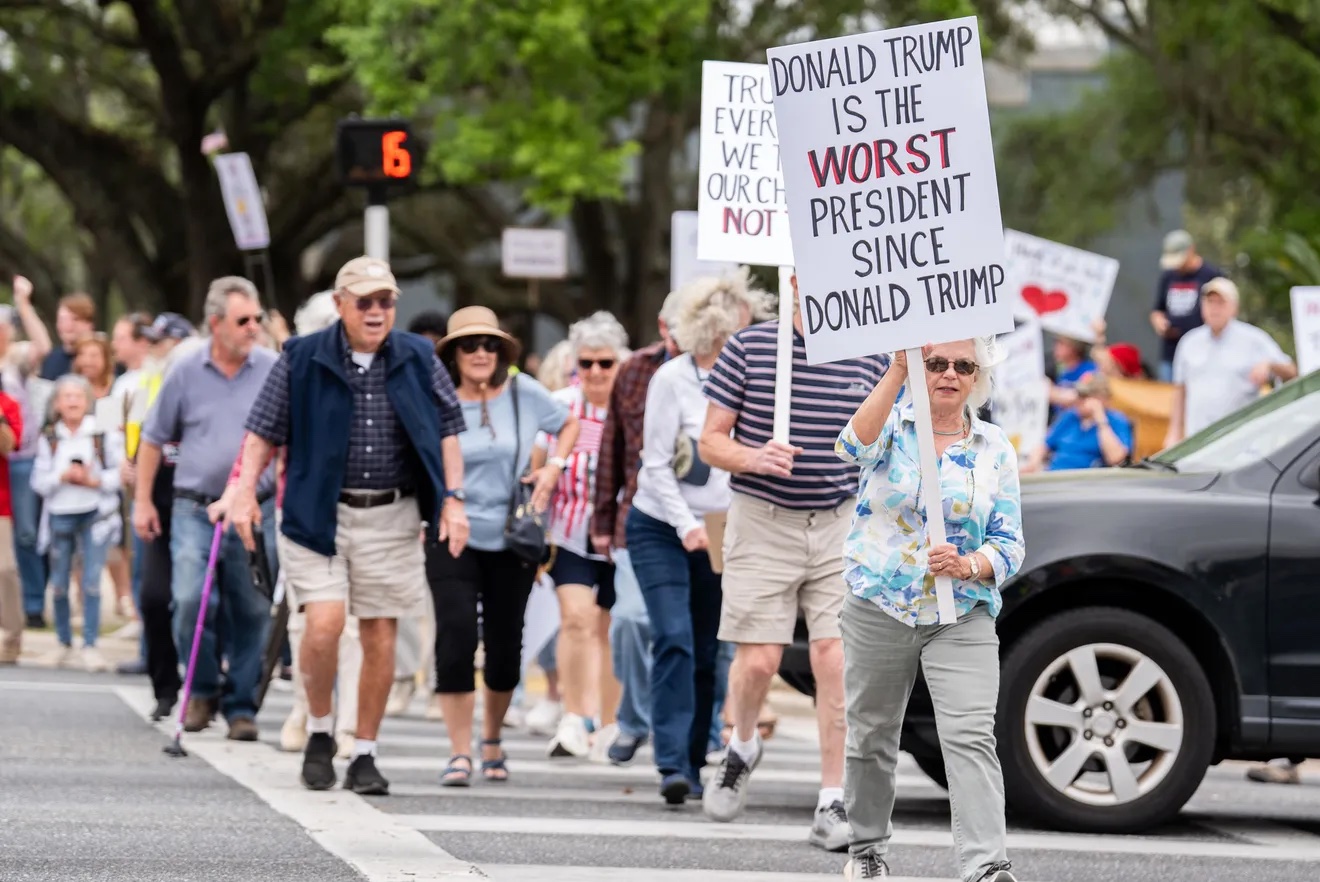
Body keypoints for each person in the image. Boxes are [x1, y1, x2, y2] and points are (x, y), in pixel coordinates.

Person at [231, 258, 468, 795]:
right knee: (324, 624)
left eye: (386, 300)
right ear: (340, 305)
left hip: (393, 512)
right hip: (319, 512)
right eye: (365, 301)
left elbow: (450, 431)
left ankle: (365, 749)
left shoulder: (418, 357)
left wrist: (453, 500)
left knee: (380, 631)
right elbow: (262, 433)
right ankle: (318, 730)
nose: (378, 311)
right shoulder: (301, 356)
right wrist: (245, 491)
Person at [697, 271, 886, 851]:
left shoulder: (868, 352)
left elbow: (885, 437)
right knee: (758, 663)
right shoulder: (751, 346)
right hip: (762, 519)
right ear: (796, 278)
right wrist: (754, 456)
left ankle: (834, 800)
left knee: (835, 659)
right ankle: (743, 744)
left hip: (837, 521)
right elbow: (710, 441)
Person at [835, 340, 1025, 882]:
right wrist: (898, 367)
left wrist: (970, 564)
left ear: (977, 378)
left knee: (971, 735)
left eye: (963, 366)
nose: (948, 374)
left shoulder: (994, 447)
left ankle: (986, 865)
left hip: (962, 611)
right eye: (935, 363)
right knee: (871, 733)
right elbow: (850, 446)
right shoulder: (894, 424)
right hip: (880, 602)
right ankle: (867, 850)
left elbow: (1011, 543)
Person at [628, 273, 762, 805]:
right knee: (674, 637)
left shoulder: (754, 380)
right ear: (715, 330)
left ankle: (695, 753)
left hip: (723, 529)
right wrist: (685, 526)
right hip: (661, 526)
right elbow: (655, 466)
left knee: (710, 648)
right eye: (740, 329)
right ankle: (670, 764)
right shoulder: (672, 380)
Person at [428, 306, 576, 786]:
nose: (480, 353)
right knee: (454, 637)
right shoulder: (438, 399)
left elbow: (568, 423)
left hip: (512, 537)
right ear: (453, 353)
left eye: (489, 345)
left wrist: (554, 466)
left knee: (506, 647)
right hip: (452, 532)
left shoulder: (523, 393)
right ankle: (458, 751)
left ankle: (491, 738)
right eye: (469, 345)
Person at [134, 278, 279, 741]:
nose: (254, 327)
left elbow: (286, 443)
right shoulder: (185, 369)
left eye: (257, 318)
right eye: (244, 320)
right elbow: (154, 438)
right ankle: (200, 689)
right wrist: (141, 502)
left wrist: (254, 493)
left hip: (253, 507)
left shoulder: (273, 369)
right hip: (194, 507)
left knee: (252, 608)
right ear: (215, 324)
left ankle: (241, 705)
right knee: (190, 599)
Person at [589, 291, 685, 765]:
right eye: (676, 325)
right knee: (630, 619)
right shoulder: (636, 370)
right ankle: (633, 720)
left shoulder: (729, 365)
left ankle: (691, 731)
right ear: (664, 325)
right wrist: (602, 519)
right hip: (640, 516)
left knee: (695, 634)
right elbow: (613, 443)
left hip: (709, 517)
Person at [536, 311, 629, 760]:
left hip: (618, 534)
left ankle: (608, 723)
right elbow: (534, 462)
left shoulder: (634, 405)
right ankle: (574, 715)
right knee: (575, 618)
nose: (594, 372)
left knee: (608, 627)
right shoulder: (558, 404)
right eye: (586, 363)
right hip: (568, 531)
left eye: (604, 363)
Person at [124, 314, 199, 720]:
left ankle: (206, 687)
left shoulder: (208, 388)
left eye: (165, 342)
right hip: (156, 506)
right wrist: (128, 470)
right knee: (154, 597)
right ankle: (165, 686)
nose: (158, 350)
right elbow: (135, 442)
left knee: (200, 600)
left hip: (199, 509)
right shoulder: (143, 387)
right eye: (155, 343)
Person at [31, 374, 124, 672]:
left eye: (78, 396)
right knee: (59, 584)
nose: (72, 402)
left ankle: (90, 644)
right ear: (57, 403)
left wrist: (91, 480)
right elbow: (38, 481)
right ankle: (62, 641)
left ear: (87, 402)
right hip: (60, 515)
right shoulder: (50, 437)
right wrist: (62, 477)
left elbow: (118, 476)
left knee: (92, 582)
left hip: (93, 514)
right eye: (66, 397)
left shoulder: (100, 434)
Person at [1164, 277, 1297, 446]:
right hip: (1197, 440)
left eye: (1221, 302)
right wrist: (1173, 432)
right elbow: (1180, 390)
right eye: (1210, 302)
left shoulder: (1253, 339)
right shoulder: (1189, 342)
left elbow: (1291, 371)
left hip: (1240, 442)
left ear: (1234, 307)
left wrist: (1270, 365)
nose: (1214, 308)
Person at [2, 277, 55, 628]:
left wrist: (24, 303)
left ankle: (33, 604)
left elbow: (42, 344)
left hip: (21, 457)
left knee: (25, 532)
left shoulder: (14, 360)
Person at [1023, 373, 1132, 472]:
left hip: (1087, 481)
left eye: (1085, 396)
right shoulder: (1070, 416)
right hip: (1056, 474)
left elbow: (1116, 459)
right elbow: (1045, 445)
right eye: (1078, 395)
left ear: (1102, 399)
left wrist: (1100, 418)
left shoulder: (1116, 420)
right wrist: (1033, 463)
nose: (1078, 400)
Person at [1151, 230, 1220, 382]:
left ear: (1191, 250)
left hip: (1201, 353)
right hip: (1171, 353)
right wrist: (1159, 323)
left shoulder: (1210, 275)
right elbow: (1157, 309)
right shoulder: (1168, 276)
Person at [0, 389, 24, 664]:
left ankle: (11, 641)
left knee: (5, 569)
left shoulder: (7, 404)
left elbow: (10, 445)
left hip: (0, 503)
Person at [39, 292, 96, 381]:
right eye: (63, 319)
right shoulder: (52, 359)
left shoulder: (104, 359)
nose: (68, 325)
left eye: (75, 319)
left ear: (89, 324)